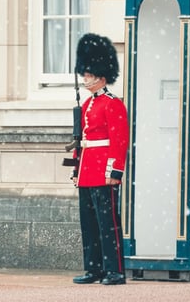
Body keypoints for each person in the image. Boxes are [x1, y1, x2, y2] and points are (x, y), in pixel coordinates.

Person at [71, 32, 129, 286]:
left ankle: (114, 270)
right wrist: (76, 168)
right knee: (89, 224)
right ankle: (93, 268)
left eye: (89, 74)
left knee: (108, 224)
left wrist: (114, 170)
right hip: (87, 170)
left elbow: (119, 141)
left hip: (103, 170)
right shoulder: (86, 105)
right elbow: (80, 139)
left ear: (101, 76)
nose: (85, 78)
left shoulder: (113, 104)